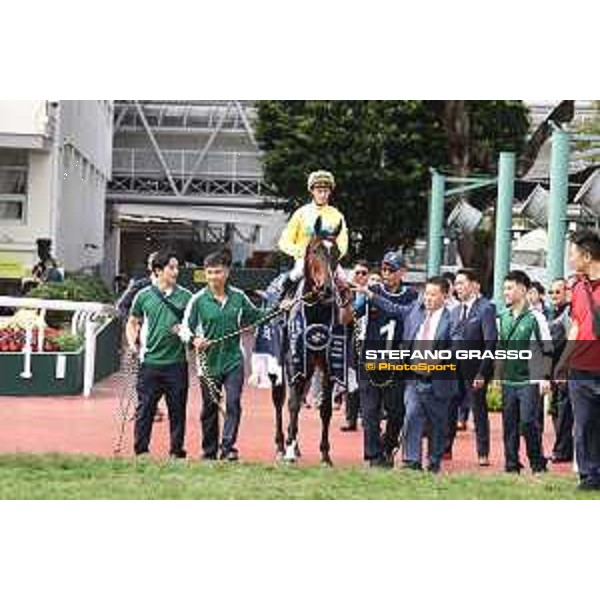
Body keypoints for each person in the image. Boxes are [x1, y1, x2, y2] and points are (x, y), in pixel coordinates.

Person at [181, 249, 277, 461]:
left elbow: (255, 316)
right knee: (210, 408)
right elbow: (184, 329)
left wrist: (279, 309)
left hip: (234, 359)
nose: (213, 276)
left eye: (217, 271)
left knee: (233, 403)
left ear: (226, 273)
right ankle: (209, 451)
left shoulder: (238, 297)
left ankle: (228, 447)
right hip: (208, 363)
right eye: (209, 272)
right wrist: (195, 340)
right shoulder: (198, 300)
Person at [352, 251, 418, 467]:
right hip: (370, 360)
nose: (386, 274)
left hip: (397, 362)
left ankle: (388, 447)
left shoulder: (412, 296)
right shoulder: (370, 290)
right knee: (369, 412)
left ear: (402, 272)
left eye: (392, 270)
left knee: (396, 412)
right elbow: (352, 314)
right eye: (384, 269)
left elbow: (402, 313)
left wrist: (373, 298)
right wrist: (350, 298)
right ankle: (373, 457)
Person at [126, 250, 192, 458]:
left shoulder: (187, 297)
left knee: (177, 411)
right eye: (171, 267)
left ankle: (176, 451)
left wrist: (184, 331)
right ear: (158, 270)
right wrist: (132, 344)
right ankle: (141, 451)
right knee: (145, 409)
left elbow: (194, 327)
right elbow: (132, 321)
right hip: (150, 363)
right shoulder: (143, 296)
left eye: (176, 267)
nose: (176, 271)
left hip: (177, 363)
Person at [556, 229, 600, 490]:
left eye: (573, 254)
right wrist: (562, 363)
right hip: (579, 370)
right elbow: (575, 326)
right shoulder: (577, 287)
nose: (570, 259)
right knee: (583, 426)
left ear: (587, 255)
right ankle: (588, 476)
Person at [497, 270, 552, 474]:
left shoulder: (536, 317)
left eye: (510, 288)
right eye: (505, 288)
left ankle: (537, 462)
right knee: (509, 425)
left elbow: (547, 348)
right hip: (508, 380)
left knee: (528, 422)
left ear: (522, 289)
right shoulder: (502, 316)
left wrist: (545, 377)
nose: (506, 292)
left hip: (530, 379)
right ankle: (511, 465)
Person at [401, 277, 457, 473]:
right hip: (414, 378)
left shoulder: (452, 319)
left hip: (438, 381)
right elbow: (393, 308)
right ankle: (412, 460)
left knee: (437, 425)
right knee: (412, 415)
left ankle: (434, 462)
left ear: (445, 296)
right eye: (427, 294)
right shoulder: (416, 314)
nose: (428, 298)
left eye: (433, 294)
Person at [447, 268, 497, 466]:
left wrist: (482, 372)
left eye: (462, 283)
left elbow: (491, 342)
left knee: (478, 410)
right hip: (452, 369)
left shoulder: (486, 308)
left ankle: (482, 453)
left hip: (475, 369)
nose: (458, 287)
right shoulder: (454, 311)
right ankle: (444, 449)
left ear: (474, 284)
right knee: (450, 409)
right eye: (456, 284)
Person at [277, 170, 349, 296]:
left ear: (330, 192)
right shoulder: (301, 213)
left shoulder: (337, 215)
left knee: (344, 280)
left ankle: (350, 314)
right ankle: (282, 300)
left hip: (328, 260)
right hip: (305, 259)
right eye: (319, 191)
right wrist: (302, 252)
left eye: (326, 191)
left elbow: (343, 243)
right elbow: (284, 242)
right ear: (312, 191)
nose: (323, 194)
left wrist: (333, 256)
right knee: (297, 273)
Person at [340, 259, 370, 432]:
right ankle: (350, 419)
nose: (360, 276)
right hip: (353, 341)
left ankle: (368, 418)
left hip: (371, 343)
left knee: (369, 383)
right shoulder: (347, 293)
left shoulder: (373, 292)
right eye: (357, 273)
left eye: (363, 273)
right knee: (351, 381)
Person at [547, 278, 573, 463]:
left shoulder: (569, 314)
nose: (554, 295)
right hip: (555, 371)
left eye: (558, 292)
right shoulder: (552, 313)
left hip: (566, 371)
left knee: (563, 413)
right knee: (556, 410)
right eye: (551, 292)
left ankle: (563, 450)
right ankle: (563, 448)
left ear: (567, 292)